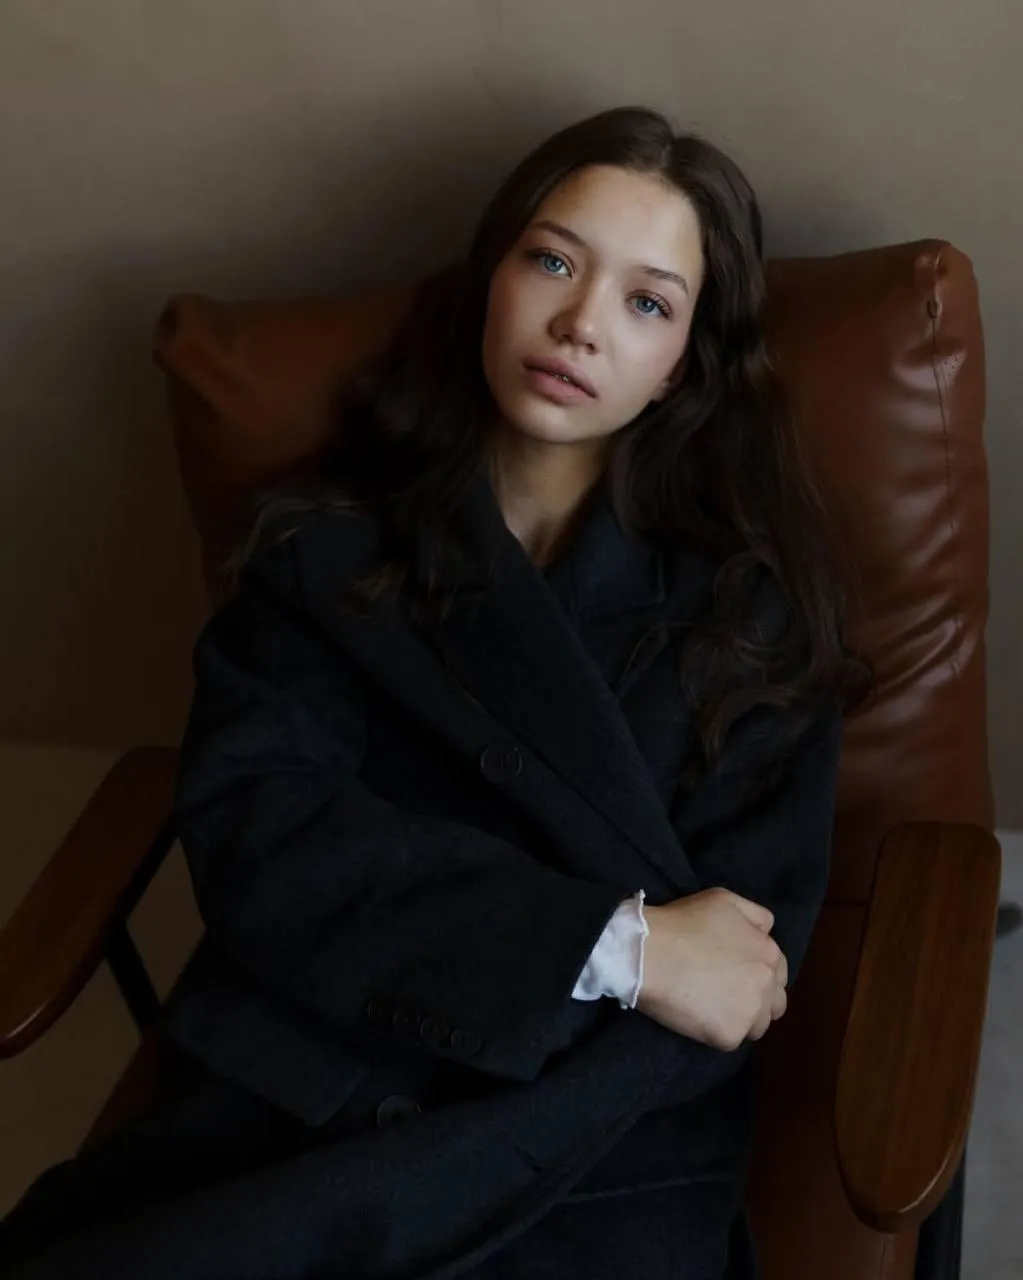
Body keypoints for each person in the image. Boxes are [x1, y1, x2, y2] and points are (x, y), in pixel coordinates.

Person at [0, 105, 869, 1280]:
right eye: (553, 259)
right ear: (491, 278)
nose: (579, 323)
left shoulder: (749, 617)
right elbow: (269, 848)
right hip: (306, 1099)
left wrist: (507, 1129)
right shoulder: (324, 553)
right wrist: (618, 945)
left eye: (647, 301)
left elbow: (734, 984)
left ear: (681, 368)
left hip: (586, 1158)